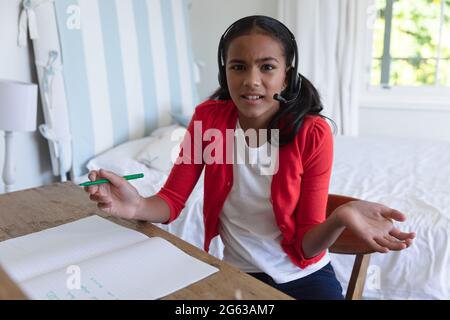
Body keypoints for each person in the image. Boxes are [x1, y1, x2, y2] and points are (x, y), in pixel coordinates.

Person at [84, 15, 415, 300]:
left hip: (306, 278)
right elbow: (171, 201)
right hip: (239, 275)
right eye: (238, 67)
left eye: (267, 67)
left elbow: (305, 246)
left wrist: (342, 215)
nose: (251, 80)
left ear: (287, 74)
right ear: (223, 73)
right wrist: (136, 206)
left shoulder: (313, 134)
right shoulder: (208, 119)